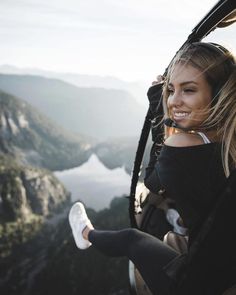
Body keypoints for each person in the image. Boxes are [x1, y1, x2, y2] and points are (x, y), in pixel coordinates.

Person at [68, 42, 236, 295]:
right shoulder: (228, 141)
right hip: (226, 264)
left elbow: (152, 181)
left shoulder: (183, 143)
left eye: (188, 90)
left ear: (219, 93)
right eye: (170, 90)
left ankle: (85, 233)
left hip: (197, 284)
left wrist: (158, 112)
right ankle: (180, 222)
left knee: (130, 239)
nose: (174, 101)